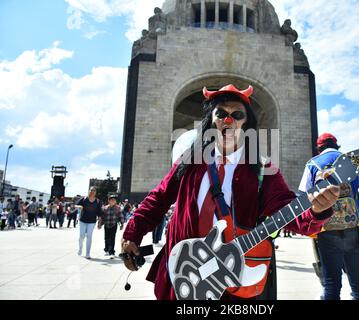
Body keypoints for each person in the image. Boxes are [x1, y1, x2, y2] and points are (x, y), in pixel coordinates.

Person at [121, 84, 340, 300]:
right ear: (211, 120)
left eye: (237, 115)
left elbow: (289, 210)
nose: (229, 120)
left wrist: (317, 210)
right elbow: (158, 199)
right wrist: (133, 233)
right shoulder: (190, 160)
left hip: (230, 281)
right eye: (222, 114)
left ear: (246, 124)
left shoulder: (263, 169)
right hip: (181, 275)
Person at [298, 132, 359, 300]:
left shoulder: (312, 164)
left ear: (319, 148)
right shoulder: (353, 161)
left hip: (327, 230)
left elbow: (303, 200)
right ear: (336, 145)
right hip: (355, 229)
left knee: (332, 284)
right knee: (358, 285)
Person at [76, 187, 103, 259]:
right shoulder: (84, 199)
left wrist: (99, 223)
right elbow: (76, 205)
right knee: (81, 236)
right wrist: (80, 206)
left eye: (94, 190)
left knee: (89, 237)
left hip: (92, 221)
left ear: (95, 192)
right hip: (83, 220)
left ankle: (87, 253)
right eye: (91, 190)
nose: (92, 191)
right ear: (89, 191)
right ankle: (80, 248)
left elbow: (99, 212)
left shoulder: (97, 201)